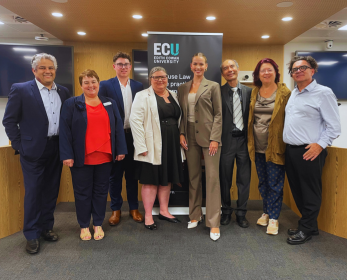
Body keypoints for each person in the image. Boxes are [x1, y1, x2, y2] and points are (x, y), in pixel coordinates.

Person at [2, 53, 70, 254]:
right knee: (33, 193)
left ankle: (46, 228)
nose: (47, 71)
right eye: (42, 67)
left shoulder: (63, 92)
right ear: (34, 70)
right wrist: (20, 146)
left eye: (51, 68)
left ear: (55, 70)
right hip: (32, 151)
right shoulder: (21, 90)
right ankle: (31, 233)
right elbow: (9, 121)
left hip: (56, 148)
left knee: (51, 191)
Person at [59, 69, 127, 241]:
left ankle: (97, 224)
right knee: (82, 193)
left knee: (101, 192)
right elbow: (65, 131)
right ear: (81, 85)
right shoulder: (71, 103)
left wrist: (120, 150)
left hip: (105, 157)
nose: (90, 85)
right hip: (81, 157)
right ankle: (83, 226)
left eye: (93, 81)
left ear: (98, 83)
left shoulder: (109, 102)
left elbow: (118, 127)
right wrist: (67, 155)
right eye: (86, 82)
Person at [284, 56, 341, 245]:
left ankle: (306, 228)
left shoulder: (323, 93)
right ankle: (309, 225)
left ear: (312, 70)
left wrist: (320, 144)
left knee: (310, 192)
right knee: (297, 190)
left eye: (303, 67)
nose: (298, 71)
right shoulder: (294, 93)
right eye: (294, 69)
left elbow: (334, 127)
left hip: (309, 151)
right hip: (291, 150)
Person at [130, 66, 184, 230]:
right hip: (151, 144)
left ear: (167, 78)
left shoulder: (173, 95)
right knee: (150, 180)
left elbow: (179, 119)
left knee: (167, 179)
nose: (160, 80)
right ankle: (148, 215)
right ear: (150, 79)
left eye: (163, 77)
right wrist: (141, 146)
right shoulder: (142, 96)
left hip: (172, 142)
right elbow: (135, 121)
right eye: (156, 77)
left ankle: (164, 211)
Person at [178, 53, 222, 241]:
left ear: (206, 66)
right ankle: (195, 214)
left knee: (212, 178)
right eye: (195, 63)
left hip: (209, 136)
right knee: (193, 177)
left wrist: (215, 138)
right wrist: (181, 133)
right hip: (189, 135)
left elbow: (219, 114)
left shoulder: (213, 86)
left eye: (201, 64)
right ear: (191, 65)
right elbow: (180, 113)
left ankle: (214, 223)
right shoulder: (182, 88)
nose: (198, 67)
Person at [99, 52, 144, 226]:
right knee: (115, 176)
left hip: (134, 137)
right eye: (120, 64)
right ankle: (116, 210)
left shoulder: (139, 85)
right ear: (114, 66)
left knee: (133, 176)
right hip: (115, 138)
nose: (123, 67)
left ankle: (134, 208)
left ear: (130, 67)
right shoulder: (105, 85)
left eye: (126, 64)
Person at [247, 58, 291, 235]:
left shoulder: (284, 92)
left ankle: (274, 218)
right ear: (258, 74)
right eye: (262, 70)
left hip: (275, 146)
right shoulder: (254, 92)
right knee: (263, 182)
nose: (266, 73)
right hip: (257, 146)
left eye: (269, 70)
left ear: (275, 72)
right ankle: (266, 211)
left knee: (275, 183)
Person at [219, 59, 252, 228]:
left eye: (232, 66)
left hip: (245, 142)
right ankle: (225, 212)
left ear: (238, 69)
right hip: (226, 141)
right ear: (223, 73)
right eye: (225, 68)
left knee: (244, 179)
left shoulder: (249, 92)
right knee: (224, 179)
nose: (229, 70)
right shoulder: (218, 91)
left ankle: (241, 213)